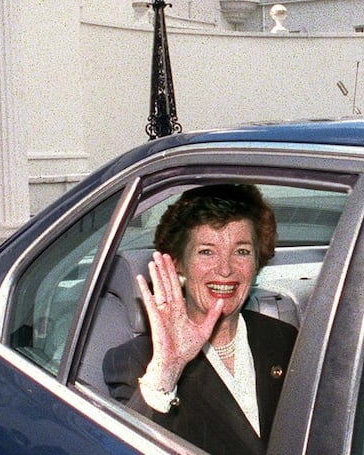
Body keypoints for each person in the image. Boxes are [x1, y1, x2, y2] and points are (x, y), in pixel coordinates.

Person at [104, 184, 297, 455]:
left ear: (257, 261)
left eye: (241, 251)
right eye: (207, 251)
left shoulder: (286, 339)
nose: (225, 269)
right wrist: (168, 369)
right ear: (177, 264)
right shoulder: (136, 362)